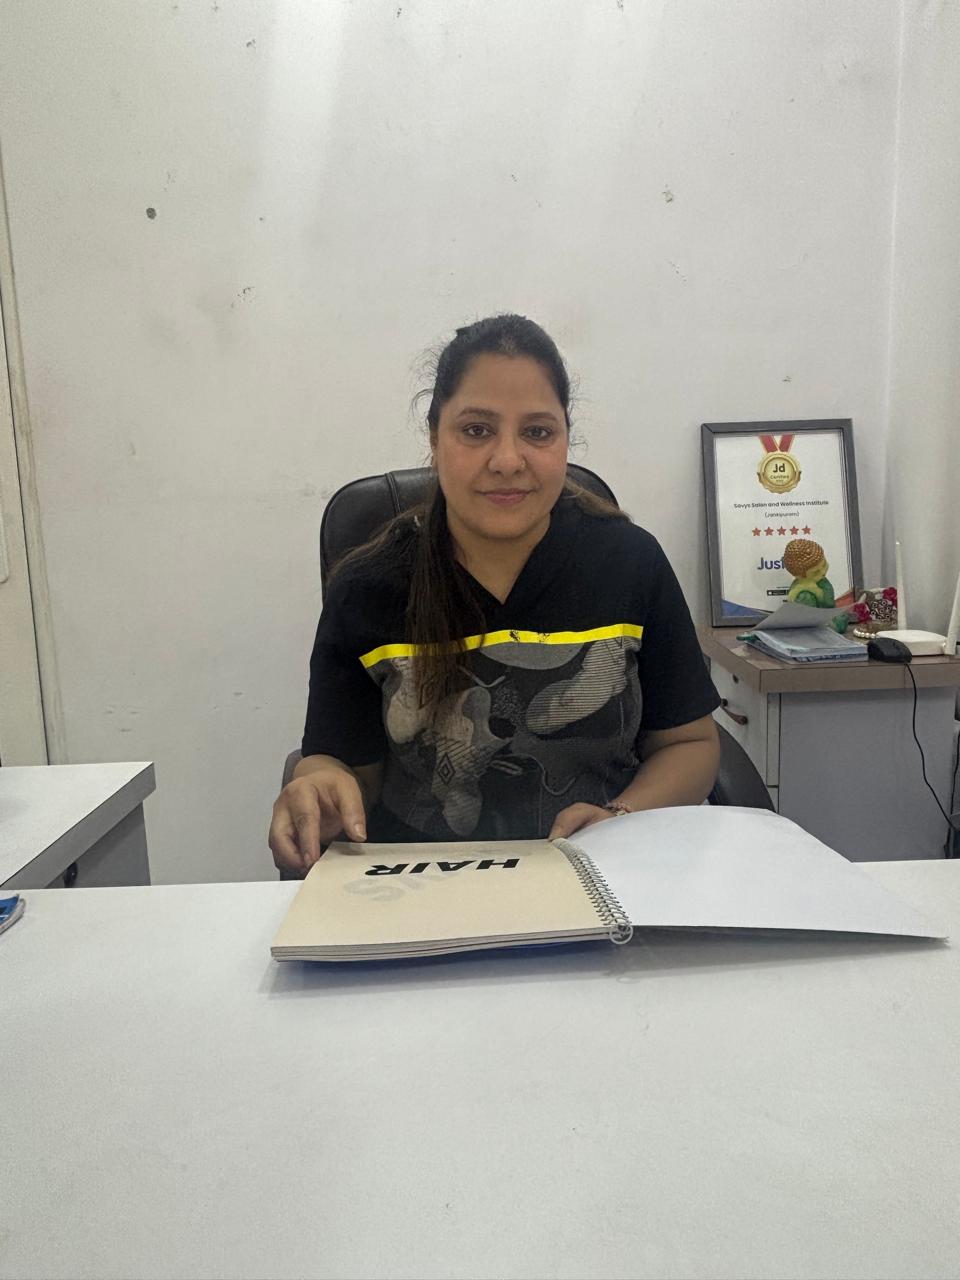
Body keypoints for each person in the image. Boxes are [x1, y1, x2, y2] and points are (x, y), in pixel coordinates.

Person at [269, 314, 720, 875]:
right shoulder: (366, 587)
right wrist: (319, 784)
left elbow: (690, 745)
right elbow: (343, 769)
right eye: (477, 430)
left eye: (537, 432)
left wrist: (620, 817)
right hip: (420, 888)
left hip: (599, 877)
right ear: (434, 437)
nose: (508, 461)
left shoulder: (631, 563)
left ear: (565, 438)